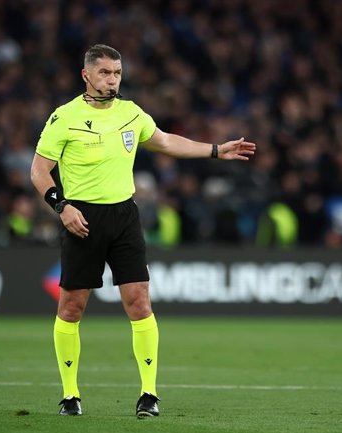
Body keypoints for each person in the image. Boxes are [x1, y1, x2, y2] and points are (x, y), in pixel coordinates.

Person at [30, 44, 256, 418]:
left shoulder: (131, 113)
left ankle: (149, 393)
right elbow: (39, 170)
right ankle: (70, 396)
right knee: (71, 307)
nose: (113, 79)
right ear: (86, 75)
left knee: (139, 303)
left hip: (124, 217)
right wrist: (61, 206)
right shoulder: (64, 117)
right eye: (105, 73)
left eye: (117, 73)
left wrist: (215, 151)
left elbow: (165, 141)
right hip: (81, 218)